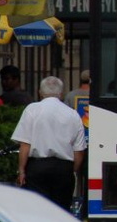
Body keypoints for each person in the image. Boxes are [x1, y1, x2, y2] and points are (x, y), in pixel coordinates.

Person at [11, 76, 87, 211]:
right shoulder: (73, 114)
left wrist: (21, 170)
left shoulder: (32, 110)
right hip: (64, 168)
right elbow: (79, 151)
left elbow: (25, 145)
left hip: (37, 167)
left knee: (38, 210)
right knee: (61, 211)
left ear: (40, 92)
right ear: (61, 93)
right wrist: (71, 170)